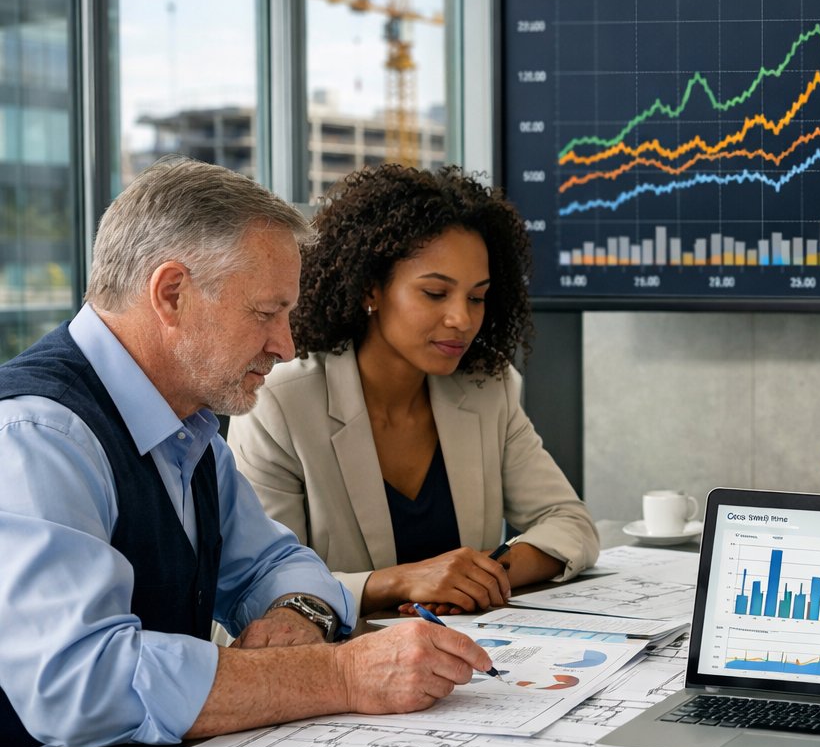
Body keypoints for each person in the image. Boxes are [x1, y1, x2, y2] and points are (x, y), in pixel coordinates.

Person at [0, 158, 495, 747]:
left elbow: (278, 562)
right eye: (265, 313)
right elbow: (79, 684)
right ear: (171, 293)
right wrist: (339, 674)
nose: (285, 345)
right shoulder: (37, 434)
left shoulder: (189, 429)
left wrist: (298, 612)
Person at [227, 164, 598, 616]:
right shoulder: (282, 404)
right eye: (436, 294)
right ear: (371, 289)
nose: (462, 319)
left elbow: (570, 524)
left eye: (477, 297)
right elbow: (263, 585)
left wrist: (482, 577)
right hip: (340, 666)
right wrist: (402, 582)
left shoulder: (487, 388)